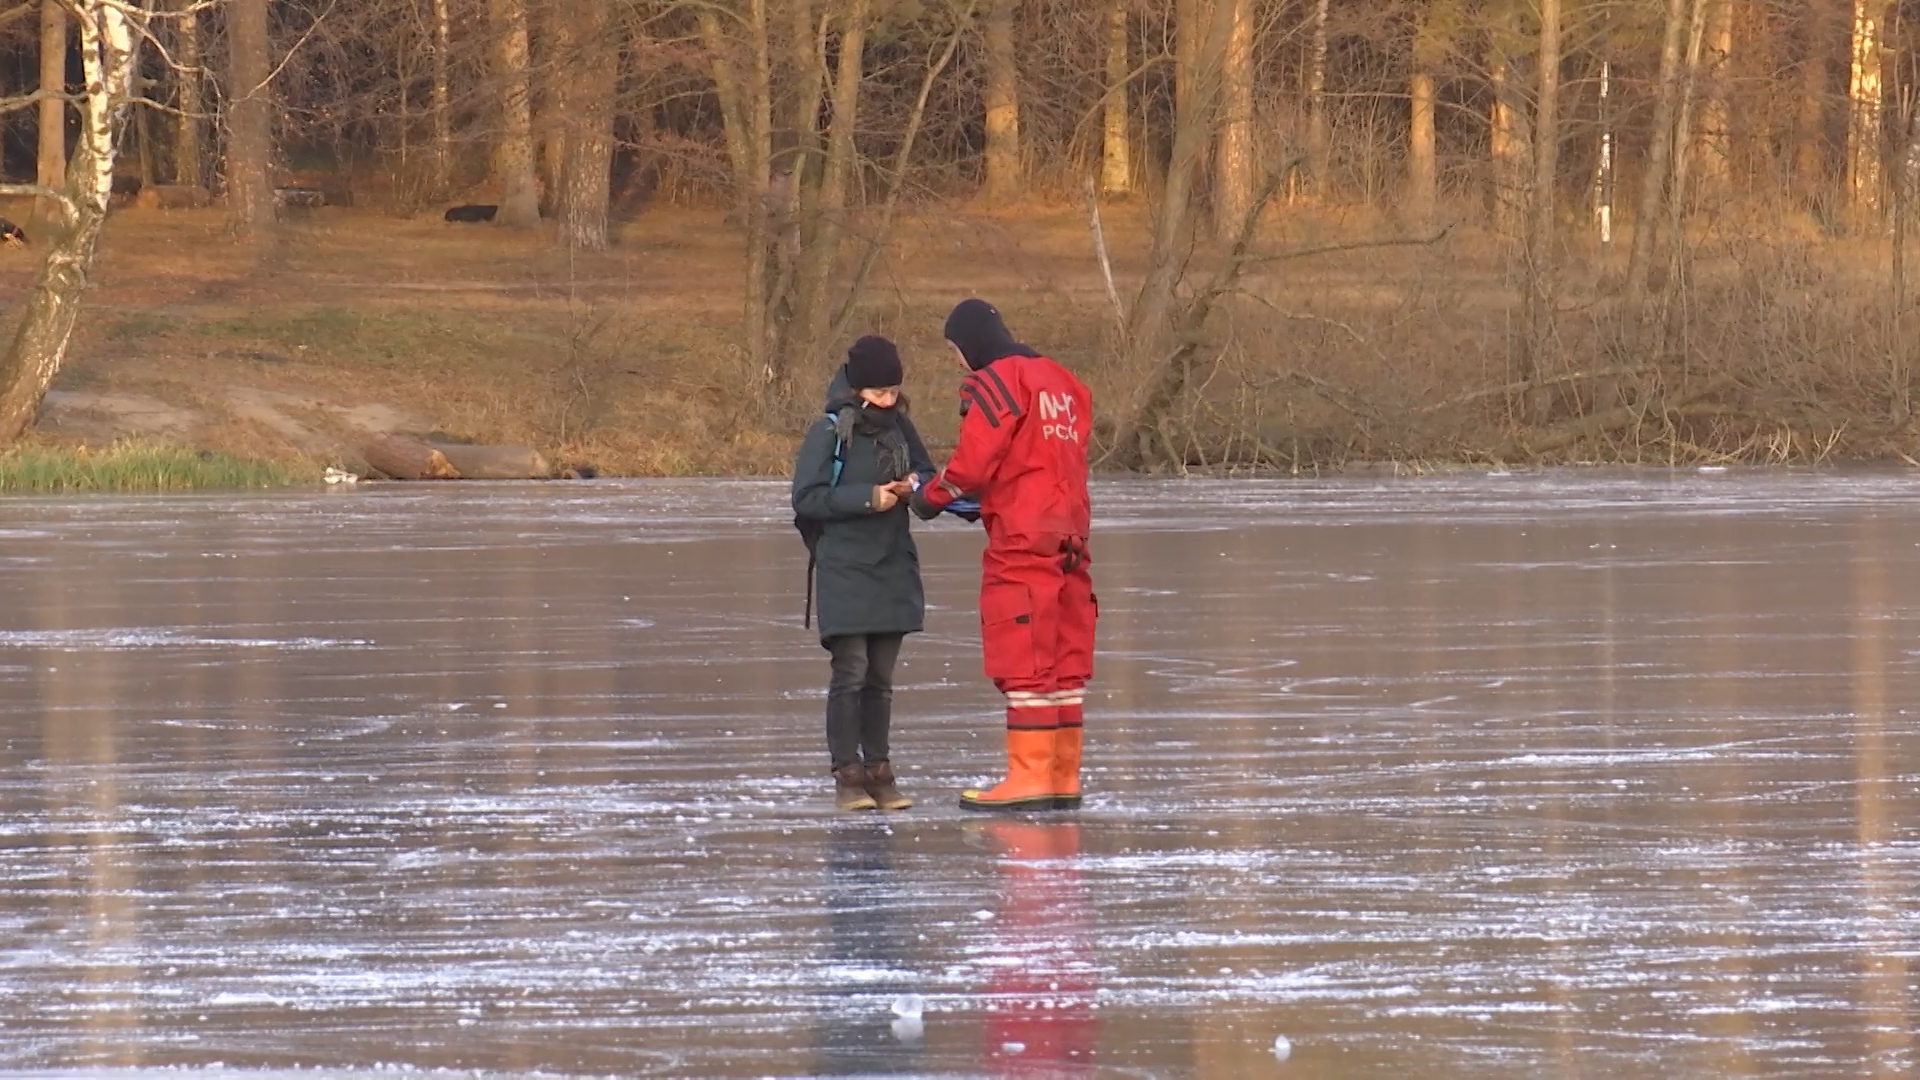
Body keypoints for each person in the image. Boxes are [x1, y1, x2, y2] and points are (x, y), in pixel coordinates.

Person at [912, 299, 1096, 811]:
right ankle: (1062, 776)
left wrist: (930, 497)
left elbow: (973, 463)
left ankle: (1029, 778)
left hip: (1022, 535)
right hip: (1071, 535)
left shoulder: (998, 381)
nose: (957, 362)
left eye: (955, 351)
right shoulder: (1064, 382)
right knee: (1065, 660)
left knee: (1023, 654)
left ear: (969, 344)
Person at [793, 336, 935, 812]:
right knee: (850, 672)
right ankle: (847, 773)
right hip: (844, 567)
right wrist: (868, 499)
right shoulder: (830, 431)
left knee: (881, 678)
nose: (888, 400)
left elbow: (928, 474)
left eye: (893, 391)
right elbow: (807, 498)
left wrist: (913, 486)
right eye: (878, 392)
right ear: (856, 389)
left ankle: (879, 768)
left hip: (892, 563)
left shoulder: (902, 427)